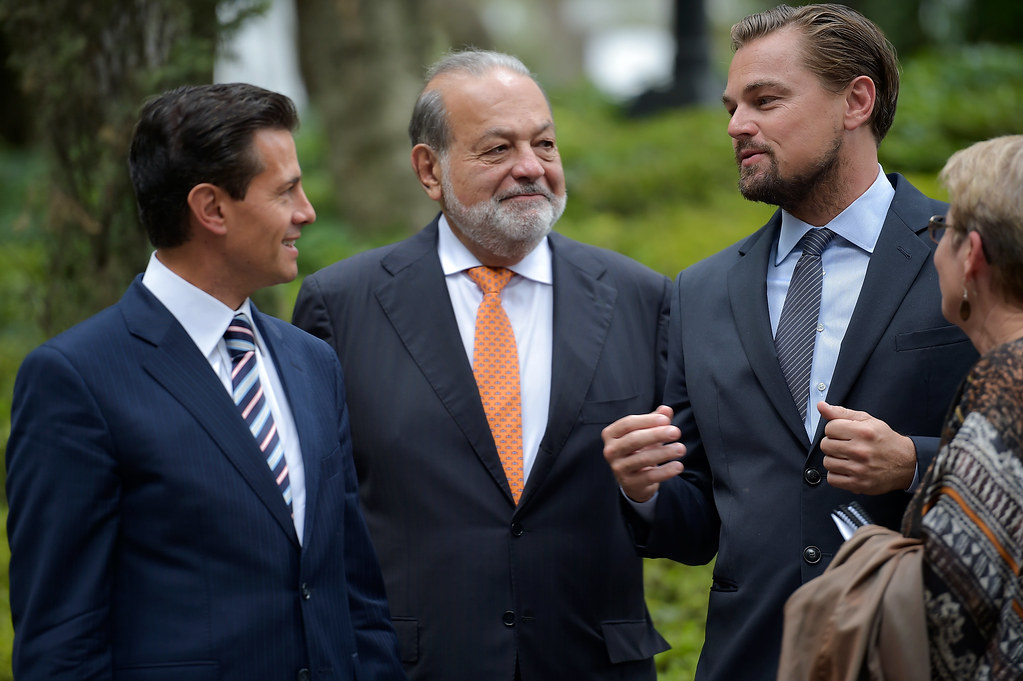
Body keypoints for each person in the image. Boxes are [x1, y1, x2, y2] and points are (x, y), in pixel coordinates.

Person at [600, 5, 978, 681]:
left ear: (855, 101)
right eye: (731, 107)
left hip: (921, 653)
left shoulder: (970, 252)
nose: (736, 125)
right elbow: (699, 522)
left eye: (765, 101)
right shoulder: (700, 290)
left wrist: (912, 464)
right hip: (750, 659)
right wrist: (643, 488)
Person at [6, 83, 406, 680]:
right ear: (211, 208)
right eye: (286, 191)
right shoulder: (76, 380)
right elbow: (61, 642)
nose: (306, 212)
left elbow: (356, 593)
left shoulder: (313, 361)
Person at [293, 50, 671, 680]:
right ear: (429, 169)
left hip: (592, 663)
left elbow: (694, 515)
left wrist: (646, 492)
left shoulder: (641, 297)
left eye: (544, 144)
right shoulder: (342, 305)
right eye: (498, 149)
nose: (531, 167)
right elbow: (316, 522)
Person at [902, 135, 1023, 680]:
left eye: (941, 231)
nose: (935, 251)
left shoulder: (1005, 386)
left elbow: (950, 615)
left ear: (971, 255)